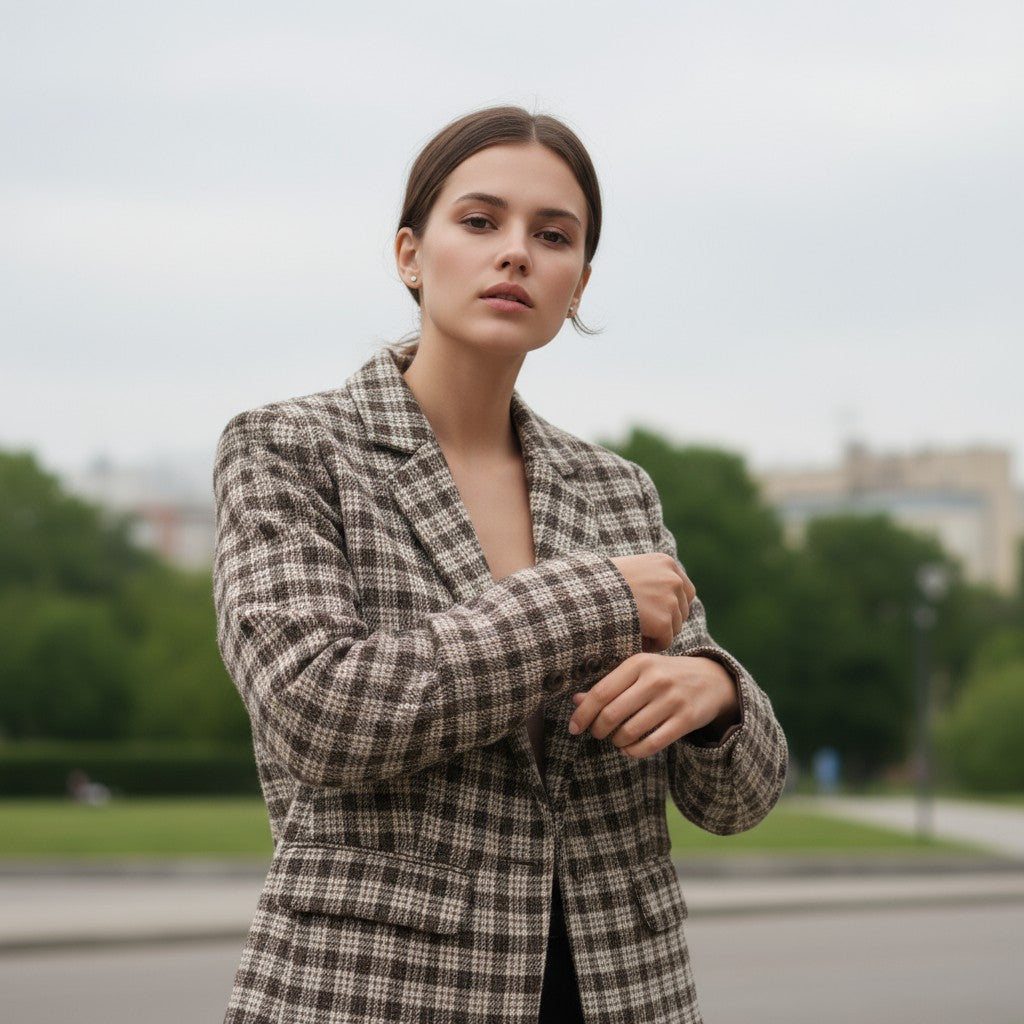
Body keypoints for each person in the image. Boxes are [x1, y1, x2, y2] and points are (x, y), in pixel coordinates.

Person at [214, 105, 787, 1024]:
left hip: (622, 990)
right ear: (410, 253)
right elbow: (317, 712)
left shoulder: (617, 492)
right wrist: (595, 599)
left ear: (579, 282)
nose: (515, 252)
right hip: (378, 989)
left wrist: (716, 696)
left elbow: (737, 801)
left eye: (552, 236)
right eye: (480, 222)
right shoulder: (290, 449)